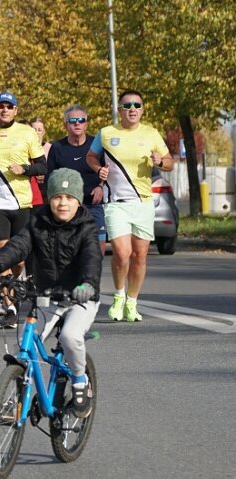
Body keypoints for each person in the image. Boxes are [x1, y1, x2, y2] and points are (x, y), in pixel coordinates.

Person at [0, 168, 101, 418]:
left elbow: (92, 259)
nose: (63, 203)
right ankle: (16, 396)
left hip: (80, 297)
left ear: (78, 200)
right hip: (46, 296)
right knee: (25, 341)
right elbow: (18, 246)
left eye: (69, 197)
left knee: (69, 337)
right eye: (57, 197)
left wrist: (87, 284)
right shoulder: (37, 223)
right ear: (49, 199)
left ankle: (79, 380)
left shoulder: (87, 228)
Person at [86, 89, 173, 322]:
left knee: (140, 256)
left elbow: (169, 162)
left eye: (137, 105)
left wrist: (161, 161)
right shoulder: (106, 133)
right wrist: (98, 169)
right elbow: (91, 157)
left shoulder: (151, 133)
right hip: (116, 203)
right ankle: (118, 295)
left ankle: (132, 302)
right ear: (119, 109)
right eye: (127, 105)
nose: (132, 109)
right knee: (122, 253)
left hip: (142, 203)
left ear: (142, 109)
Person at [0, 91, 46, 328]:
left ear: (15, 111)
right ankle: (10, 308)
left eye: (9, 107)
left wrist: (25, 169)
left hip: (21, 202)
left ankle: (19, 281)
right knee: (1, 252)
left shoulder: (27, 133)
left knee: (19, 257)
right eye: (0, 106)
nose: (4, 110)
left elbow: (42, 165)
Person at [47, 104, 107, 255]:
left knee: (97, 248)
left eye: (81, 120)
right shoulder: (57, 147)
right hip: (67, 205)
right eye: (73, 120)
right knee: (69, 250)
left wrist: (101, 186)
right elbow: (50, 178)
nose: (77, 123)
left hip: (93, 203)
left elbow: (108, 171)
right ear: (65, 125)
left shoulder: (97, 145)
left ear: (86, 124)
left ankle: (91, 278)